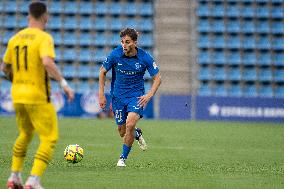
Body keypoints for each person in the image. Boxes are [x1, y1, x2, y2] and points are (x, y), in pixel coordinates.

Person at [1, 2, 74, 189]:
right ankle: (33, 180)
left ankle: (14, 176)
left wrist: (17, 80)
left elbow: (4, 67)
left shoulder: (14, 38)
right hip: (37, 95)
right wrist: (64, 84)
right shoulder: (44, 38)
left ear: (28, 17)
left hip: (17, 95)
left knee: (25, 133)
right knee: (49, 137)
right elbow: (47, 62)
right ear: (45, 17)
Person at [99, 28, 162, 167]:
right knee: (122, 132)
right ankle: (136, 134)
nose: (124, 45)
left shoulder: (145, 57)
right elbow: (102, 71)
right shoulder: (116, 54)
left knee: (130, 124)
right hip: (118, 97)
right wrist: (101, 95)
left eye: (127, 42)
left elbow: (158, 78)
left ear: (135, 42)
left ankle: (122, 159)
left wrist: (149, 95)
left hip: (136, 96)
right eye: (122, 42)